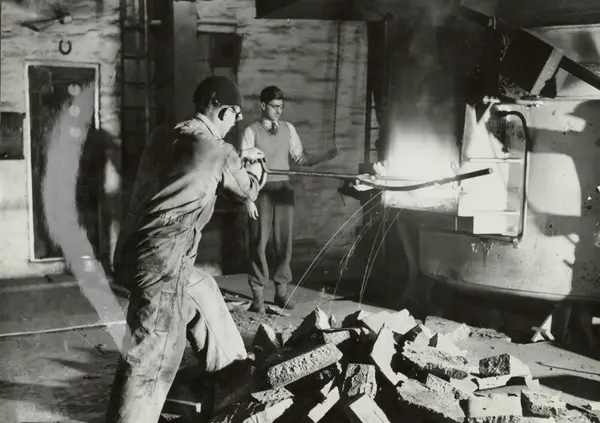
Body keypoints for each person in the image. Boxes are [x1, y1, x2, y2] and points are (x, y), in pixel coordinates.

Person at [105, 76, 266, 423]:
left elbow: (195, 159)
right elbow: (247, 191)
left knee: (203, 289)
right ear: (221, 110)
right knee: (154, 353)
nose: (236, 122)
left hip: (134, 252)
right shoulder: (220, 152)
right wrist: (254, 166)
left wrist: (237, 157)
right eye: (235, 114)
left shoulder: (165, 134)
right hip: (163, 264)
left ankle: (234, 376)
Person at [239, 86, 337, 313]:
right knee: (258, 242)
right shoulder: (251, 131)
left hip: (283, 189)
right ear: (263, 105)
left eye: (281, 107)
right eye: (274, 106)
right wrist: (247, 199)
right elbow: (240, 168)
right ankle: (258, 297)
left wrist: (325, 155)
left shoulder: (288, 129)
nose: (278, 111)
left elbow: (300, 158)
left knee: (284, 242)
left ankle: (281, 293)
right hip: (260, 190)